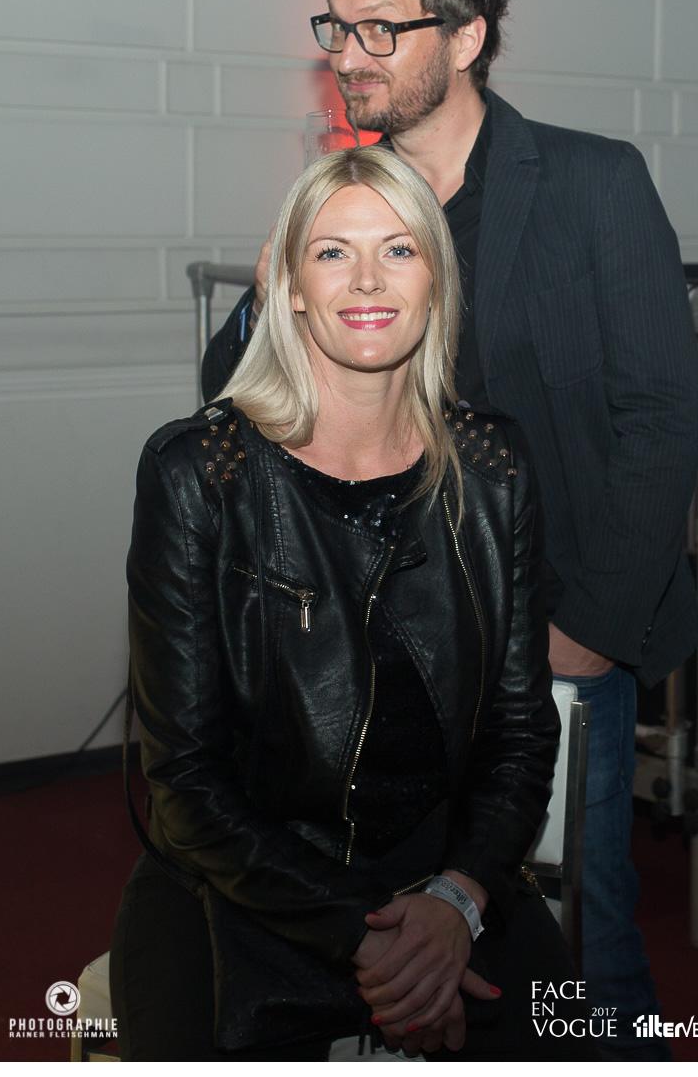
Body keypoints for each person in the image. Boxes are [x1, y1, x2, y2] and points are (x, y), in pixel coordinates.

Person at [201, 0, 698, 1061]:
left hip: (558, 639)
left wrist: (587, 635)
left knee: (580, 949)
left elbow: (657, 419)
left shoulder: (588, 182)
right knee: (425, 943)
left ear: (466, 34)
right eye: (337, 27)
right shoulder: (351, 201)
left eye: (382, 28)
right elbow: (239, 393)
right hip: (396, 653)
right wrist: (279, 290)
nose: (351, 56)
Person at [111, 145, 599, 1062]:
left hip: (444, 880)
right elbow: (186, 783)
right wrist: (367, 939)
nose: (367, 279)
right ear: (290, 286)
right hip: (243, 884)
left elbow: (521, 732)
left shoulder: (493, 467)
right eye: (333, 252)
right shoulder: (199, 472)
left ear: (436, 280)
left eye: (399, 249)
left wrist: (456, 900)